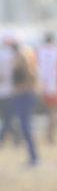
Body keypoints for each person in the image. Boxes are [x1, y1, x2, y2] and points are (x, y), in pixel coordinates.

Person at [0, 30, 39, 165]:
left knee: (25, 126)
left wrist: (24, 89)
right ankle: (32, 157)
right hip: (18, 94)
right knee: (20, 125)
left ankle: (34, 158)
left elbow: (31, 75)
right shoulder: (18, 54)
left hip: (24, 95)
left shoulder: (23, 54)